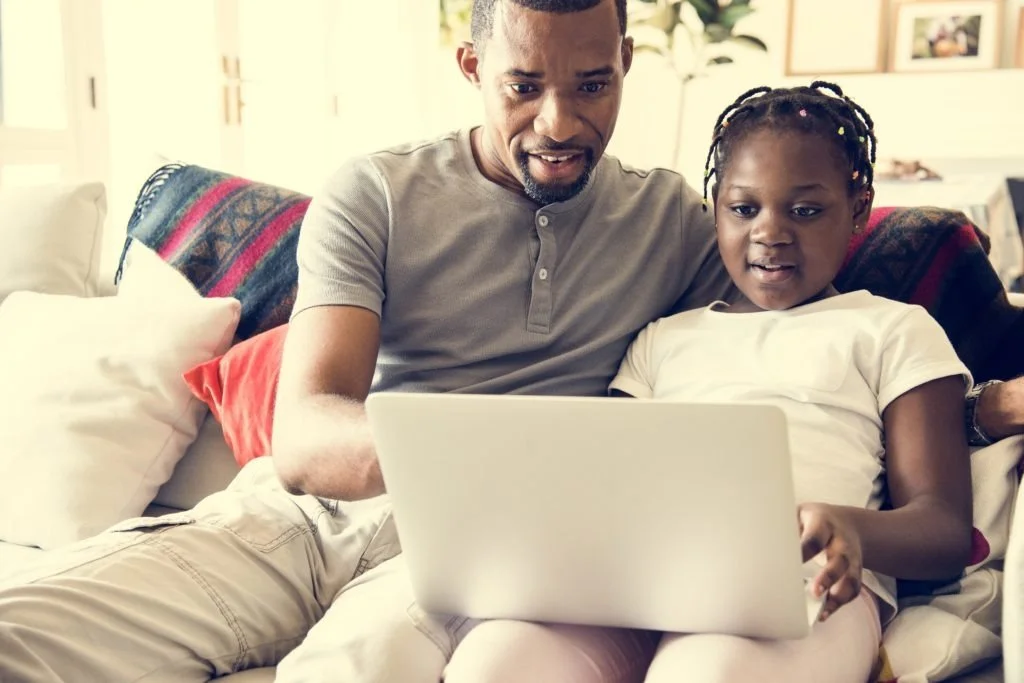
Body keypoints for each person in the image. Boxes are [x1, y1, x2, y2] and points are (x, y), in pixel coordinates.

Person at [0, 1, 1019, 681]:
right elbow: (307, 435)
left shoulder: (677, 220)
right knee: (28, 626)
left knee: (358, 667)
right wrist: (484, 460)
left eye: (592, 84)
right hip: (309, 514)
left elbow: (811, 337)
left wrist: (976, 406)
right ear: (471, 64)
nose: (561, 120)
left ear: (627, 62)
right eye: (523, 84)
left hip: (495, 555)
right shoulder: (379, 190)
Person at [441, 81, 975, 683]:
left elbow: (945, 529)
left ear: (857, 208)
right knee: (494, 662)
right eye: (744, 209)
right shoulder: (662, 340)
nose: (770, 233)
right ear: (715, 208)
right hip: (642, 582)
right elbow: (607, 485)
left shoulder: (892, 329)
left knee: (707, 673)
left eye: (805, 210)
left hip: (807, 587)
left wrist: (849, 527)